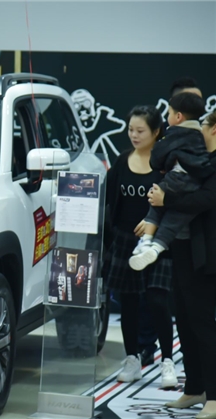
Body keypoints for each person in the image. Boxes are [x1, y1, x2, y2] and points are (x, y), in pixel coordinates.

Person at [148, 110, 216, 419]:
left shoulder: (211, 164)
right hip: (183, 249)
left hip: (206, 255)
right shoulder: (197, 158)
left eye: (203, 126)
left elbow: (205, 200)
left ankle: (213, 395)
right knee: (185, 321)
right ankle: (195, 388)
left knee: (202, 323)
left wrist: (167, 200)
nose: (198, 130)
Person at [104, 105, 176, 387]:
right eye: (130, 129)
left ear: (156, 132)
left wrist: (153, 225)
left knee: (157, 300)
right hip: (124, 240)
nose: (134, 135)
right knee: (129, 303)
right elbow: (110, 202)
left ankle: (167, 361)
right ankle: (132, 358)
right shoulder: (122, 161)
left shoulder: (166, 164)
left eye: (140, 130)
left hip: (158, 242)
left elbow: (175, 202)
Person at [129, 93, 213, 271]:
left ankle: (146, 241)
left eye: (169, 113)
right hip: (195, 185)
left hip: (177, 178)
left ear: (178, 116)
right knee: (174, 220)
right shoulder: (199, 135)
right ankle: (156, 248)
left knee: (155, 202)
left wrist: (162, 165)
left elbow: (157, 157)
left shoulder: (174, 133)